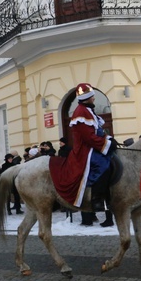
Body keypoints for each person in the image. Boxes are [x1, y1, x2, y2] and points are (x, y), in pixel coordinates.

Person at [49, 83, 117, 211]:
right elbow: (89, 137)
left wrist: (109, 139)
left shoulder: (88, 111)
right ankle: (97, 199)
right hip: (86, 150)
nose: (94, 98)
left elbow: (97, 132)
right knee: (103, 165)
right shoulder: (81, 113)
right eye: (92, 96)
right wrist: (107, 144)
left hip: (92, 147)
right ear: (87, 98)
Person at [1, 151, 23, 215]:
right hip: (8, 182)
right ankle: (8, 210)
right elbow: (2, 173)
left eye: (11, 158)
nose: (10, 160)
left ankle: (18, 209)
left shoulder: (14, 165)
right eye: (9, 159)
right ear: (7, 159)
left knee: (17, 196)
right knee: (8, 197)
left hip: (14, 182)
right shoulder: (4, 166)